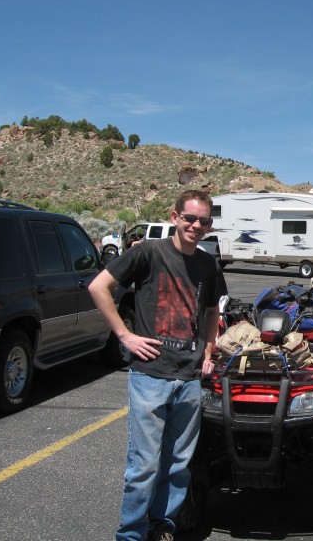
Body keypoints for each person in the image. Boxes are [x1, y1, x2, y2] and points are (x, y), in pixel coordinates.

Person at [89, 190, 227, 541]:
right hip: (150, 375)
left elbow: (212, 311)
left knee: (178, 466)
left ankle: (161, 526)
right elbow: (98, 287)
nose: (196, 226)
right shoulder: (148, 252)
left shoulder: (207, 264)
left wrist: (208, 351)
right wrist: (125, 335)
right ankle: (131, 534)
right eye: (190, 218)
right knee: (144, 466)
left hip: (190, 376)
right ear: (174, 217)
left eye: (204, 221)